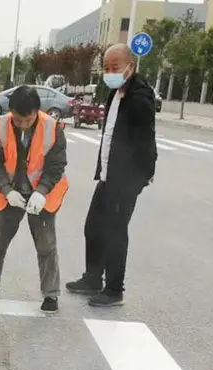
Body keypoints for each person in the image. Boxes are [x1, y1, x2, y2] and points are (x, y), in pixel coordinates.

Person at [66, 43, 156, 307]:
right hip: (108, 174)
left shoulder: (140, 95)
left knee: (116, 233)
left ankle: (114, 290)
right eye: (106, 68)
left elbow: (145, 140)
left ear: (130, 66)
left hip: (125, 178)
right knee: (93, 226)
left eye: (114, 68)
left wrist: (140, 177)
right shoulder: (116, 92)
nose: (109, 72)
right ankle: (93, 277)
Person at [0, 85, 68, 314]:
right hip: (12, 194)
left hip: (41, 195)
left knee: (47, 245)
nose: (22, 124)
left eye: (27, 120)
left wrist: (42, 191)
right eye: (18, 119)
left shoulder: (53, 127)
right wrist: (7, 191)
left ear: (37, 111)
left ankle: (50, 294)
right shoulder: (0, 126)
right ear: (12, 112)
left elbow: (56, 165)